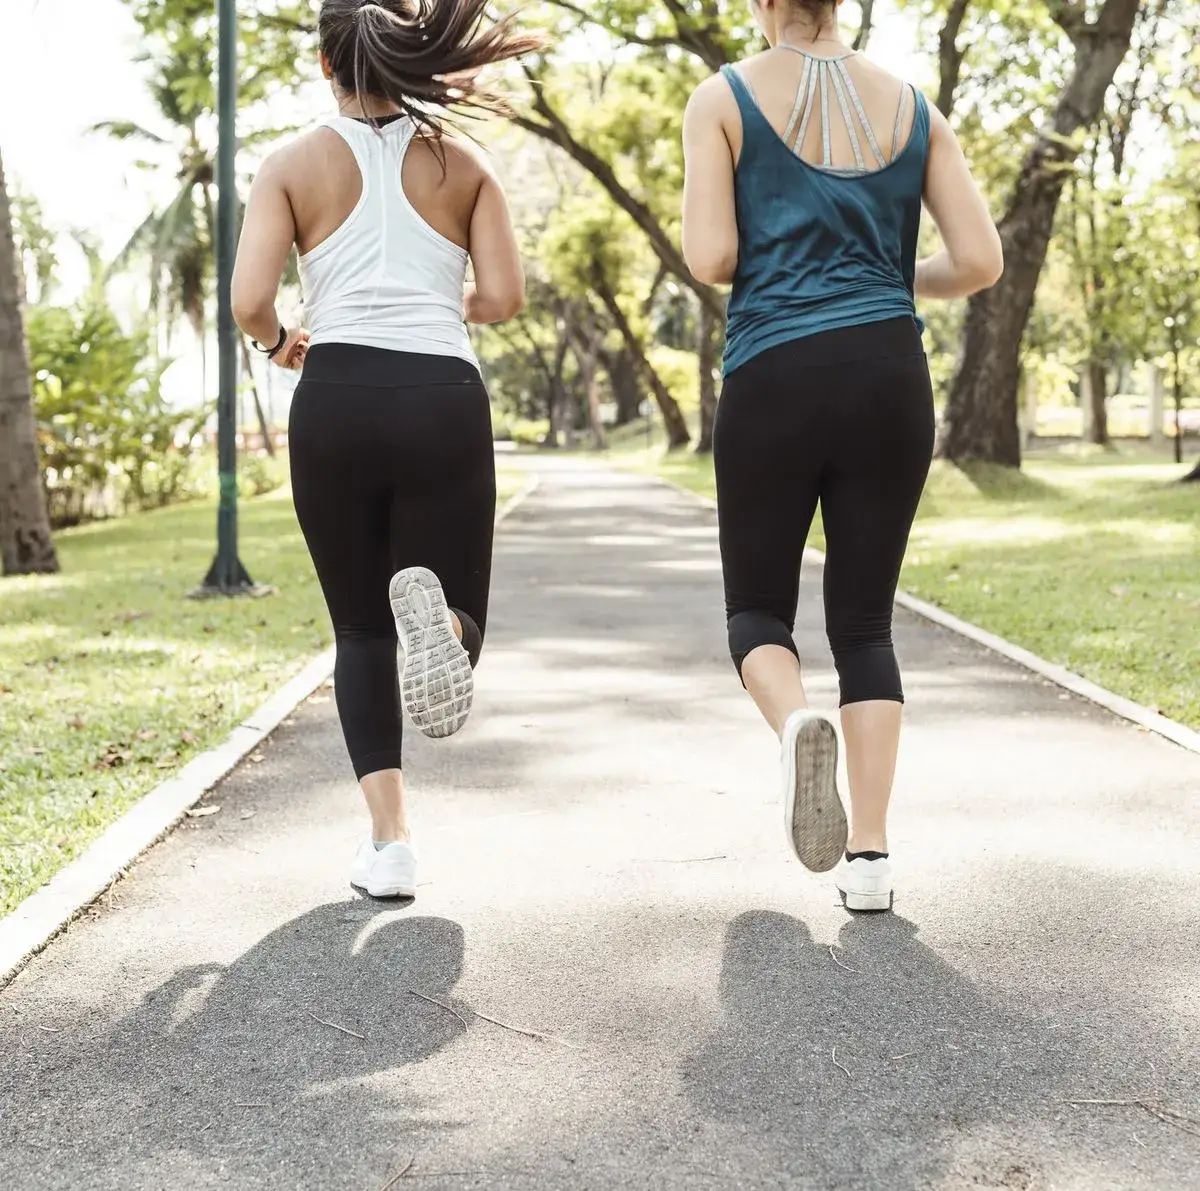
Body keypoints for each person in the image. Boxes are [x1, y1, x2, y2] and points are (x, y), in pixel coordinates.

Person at [681, 0, 1002, 910]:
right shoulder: (913, 105)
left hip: (773, 374)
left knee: (756, 613)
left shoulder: (724, 97)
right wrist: (898, 280)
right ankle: (870, 859)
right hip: (889, 377)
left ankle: (794, 728)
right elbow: (978, 259)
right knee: (865, 625)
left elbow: (710, 254)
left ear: (762, 4)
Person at [232, 0, 536, 899]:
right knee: (457, 612)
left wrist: (281, 342)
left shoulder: (291, 164)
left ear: (327, 67)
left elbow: (252, 301)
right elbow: (506, 295)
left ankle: (391, 843)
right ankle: (441, 629)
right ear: (409, 59)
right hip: (442, 394)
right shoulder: (464, 164)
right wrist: (444, 305)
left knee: (360, 627)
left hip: (337, 397)